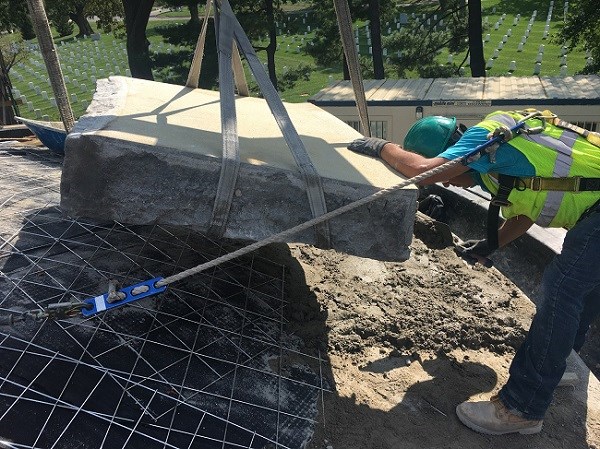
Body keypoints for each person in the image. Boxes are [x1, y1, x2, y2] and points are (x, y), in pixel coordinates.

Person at [347, 110, 600, 435]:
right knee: (584, 289)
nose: (448, 181)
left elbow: (422, 172)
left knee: (561, 290)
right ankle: (557, 363)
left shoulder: (487, 136)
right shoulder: (499, 162)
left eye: (449, 171)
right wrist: (490, 245)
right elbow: (526, 212)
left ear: (455, 150)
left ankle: (521, 407)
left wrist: (380, 146)